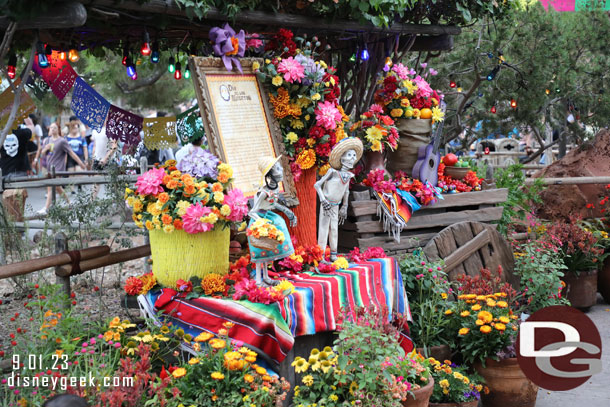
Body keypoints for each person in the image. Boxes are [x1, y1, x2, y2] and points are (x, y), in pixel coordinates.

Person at [248, 156, 297, 286]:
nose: (281, 171)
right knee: (260, 252)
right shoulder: (263, 192)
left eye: (280, 167)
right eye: (277, 169)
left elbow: (273, 204)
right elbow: (252, 211)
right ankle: (259, 281)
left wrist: (287, 211)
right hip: (258, 220)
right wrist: (261, 223)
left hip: (267, 217)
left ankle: (266, 278)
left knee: (266, 250)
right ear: (270, 174)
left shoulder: (274, 189)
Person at [315, 137, 363, 261]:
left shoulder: (348, 176)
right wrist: (323, 200)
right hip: (327, 204)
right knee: (324, 228)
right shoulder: (332, 172)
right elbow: (317, 185)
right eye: (349, 155)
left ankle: (333, 254)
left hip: (336, 205)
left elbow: (346, 191)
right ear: (342, 158)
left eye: (354, 155)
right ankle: (320, 256)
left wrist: (345, 206)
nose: (352, 157)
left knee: (334, 228)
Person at [36, 122, 87, 215]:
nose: (52, 129)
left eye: (54, 127)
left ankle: (45, 208)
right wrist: (45, 149)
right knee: (57, 188)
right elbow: (42, 154)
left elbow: (71, 153)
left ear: (58, 129)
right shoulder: (47, 140)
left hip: (58, 167)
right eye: (51, 127)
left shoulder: (62, 141)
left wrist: (81, 163)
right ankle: (69, 203)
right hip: (49, 167)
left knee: (52, 187)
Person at [90, 125, 118, 198]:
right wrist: (93, 160)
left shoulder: (111, 129)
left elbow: (114, 146)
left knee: (114, 185)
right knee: (96, 183)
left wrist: (105, 159)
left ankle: (121, 204)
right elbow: (95, 146)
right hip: (97, 160)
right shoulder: (95, 130)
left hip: (110, 161)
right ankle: (91, 204)